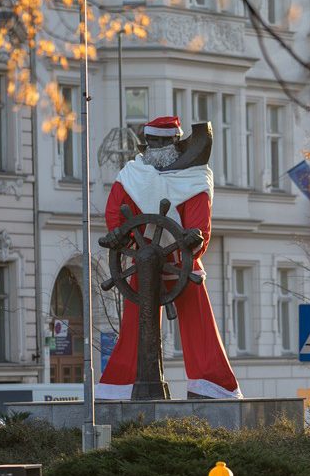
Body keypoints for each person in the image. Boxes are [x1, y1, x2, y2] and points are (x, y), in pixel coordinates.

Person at [95, 116, 242, 400]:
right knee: (134, 325)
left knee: (199, 324)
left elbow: (200, 222)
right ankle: (122, 385)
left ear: (177, 142)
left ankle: (213, 385)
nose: (158, 147)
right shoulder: (131, 175)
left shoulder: (196, 177)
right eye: (153, 141)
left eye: (164, 141)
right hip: (144, 259)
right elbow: (115, 212)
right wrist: (118, 235)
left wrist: (194, 240)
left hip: (181, 263)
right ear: (146, 142)